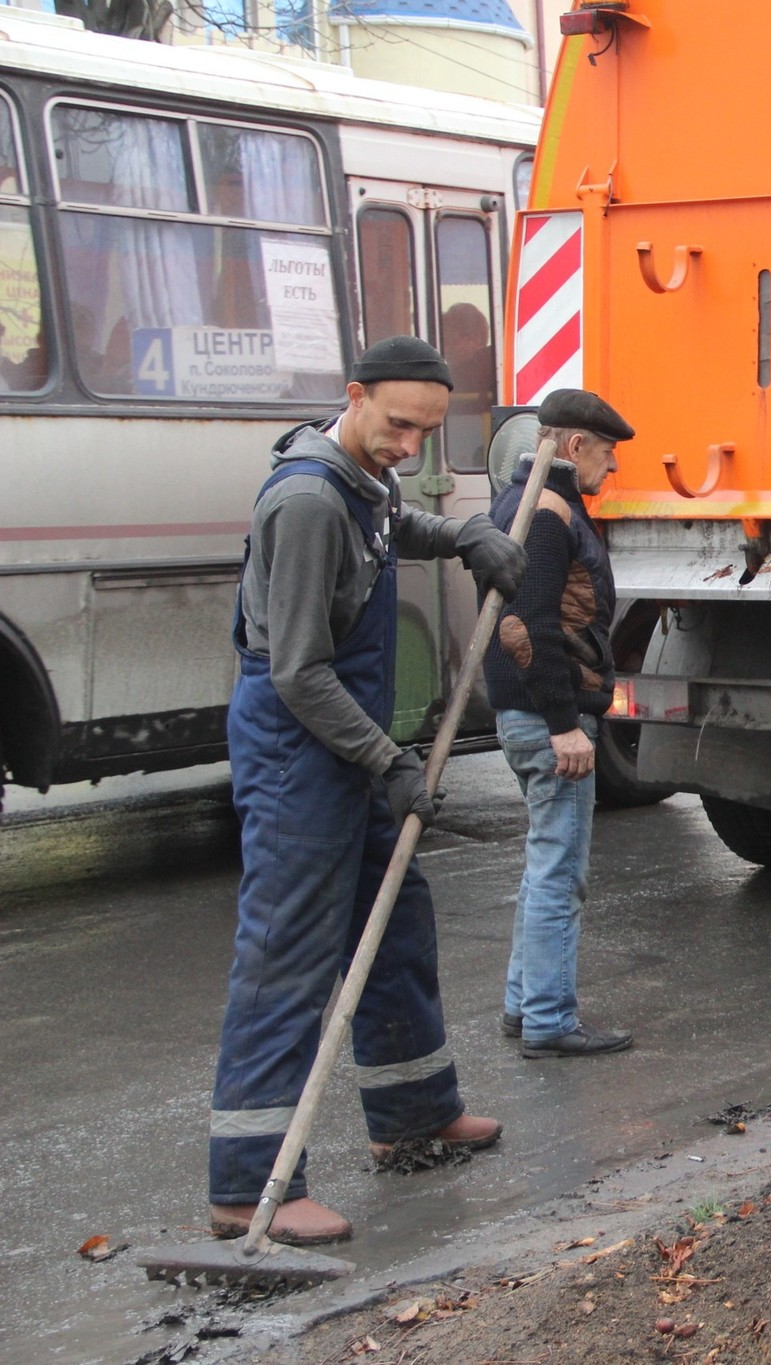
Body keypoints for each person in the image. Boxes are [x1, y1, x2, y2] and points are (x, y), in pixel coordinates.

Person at [209, 337, 527, 1246]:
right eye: (397, 425)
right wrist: (387, 760)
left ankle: (414, 1113)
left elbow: (392, 533)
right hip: (297, 749)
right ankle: (245, 1183)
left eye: (429, 433)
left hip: (339, 744)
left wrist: (464, 532)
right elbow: (301, 673)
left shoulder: (363, 479)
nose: (410, 448)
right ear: (353, 396)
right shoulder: (310, 499)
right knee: (288, 957)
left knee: (394, 923)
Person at [484, 390, 637, 1058]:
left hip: (530, 714)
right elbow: (529, 625)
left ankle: (525, 1004)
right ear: (574, 446)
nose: (612, 469)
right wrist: (562, 724)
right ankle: (549, 1018)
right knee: (559, 869)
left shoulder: (520, 500)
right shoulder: (548, 513)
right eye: (607, 453)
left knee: (543, 858)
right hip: (552, 714)